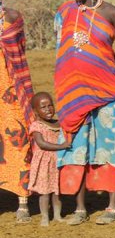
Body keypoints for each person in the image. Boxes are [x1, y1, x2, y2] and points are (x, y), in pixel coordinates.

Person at [55, 0, 115, 225]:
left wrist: (101, 62)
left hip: (106, 91)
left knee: (111, 146)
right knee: (77, 147)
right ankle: (79, 208)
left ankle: (113, 207)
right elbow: (61, 50)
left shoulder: (111, 12)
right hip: (72, 94)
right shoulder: (65, 12)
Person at [0, 0, 35, 223]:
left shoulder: (11, 18)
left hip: (9, 89)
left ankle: (22, 200)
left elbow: (17, 52)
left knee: (17, 138)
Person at [28, 92, 71, 226]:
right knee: (44, 192)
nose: (48, 109)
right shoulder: (37, 125)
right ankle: (45, 217)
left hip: (57, 161)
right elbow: (41, 144)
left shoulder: (59, 123)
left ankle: (57, 215)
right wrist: (61, 146)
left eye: (50, 105)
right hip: (44, 163)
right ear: (35, 111)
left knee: (57, 192)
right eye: (43, 107)